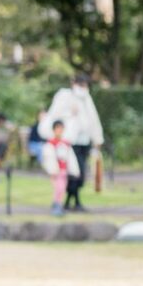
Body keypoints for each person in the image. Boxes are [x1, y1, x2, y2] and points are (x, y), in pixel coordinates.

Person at [45, 74, 104, 210]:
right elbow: (55, 118)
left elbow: (93, 119)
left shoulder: (86, 99)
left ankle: (71, 201)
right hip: (69, 143)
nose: (83, 88)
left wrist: (97, 138)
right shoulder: (64, 96)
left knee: (80, 174)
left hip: (84, 141)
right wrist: (69, 113)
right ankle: (68, 201)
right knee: (71, 173)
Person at [42, 118, 78, 214]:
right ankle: (57, 205)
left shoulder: (65, 143)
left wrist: (74, 170)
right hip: (56, 171)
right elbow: (49, 158)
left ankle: (57, 204)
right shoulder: (51, 144)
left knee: (62, 189)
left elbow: (70, 158)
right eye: (58, 128)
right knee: (59, 188)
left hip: (64, 170)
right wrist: (53, 170)